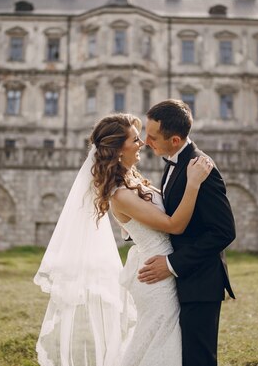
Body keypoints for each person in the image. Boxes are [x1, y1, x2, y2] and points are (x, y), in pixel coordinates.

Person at [34, 113, 213, 366]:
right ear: (118, 149)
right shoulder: (120, 195)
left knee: (155, 343)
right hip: (156, 280)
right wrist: (193, 183)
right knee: (163, 344)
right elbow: (174, 224)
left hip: (160, 269)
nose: (141, 144)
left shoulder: (132, 181)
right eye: (135, 139)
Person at [138, 99, 236, 366]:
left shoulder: (201, 168)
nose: (146, 142)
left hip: (201, 283)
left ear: (175, 139)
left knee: (198, 360)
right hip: (182, 283)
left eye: (152, 137)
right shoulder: (173, 161)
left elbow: (224, 231)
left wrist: (171, 264)